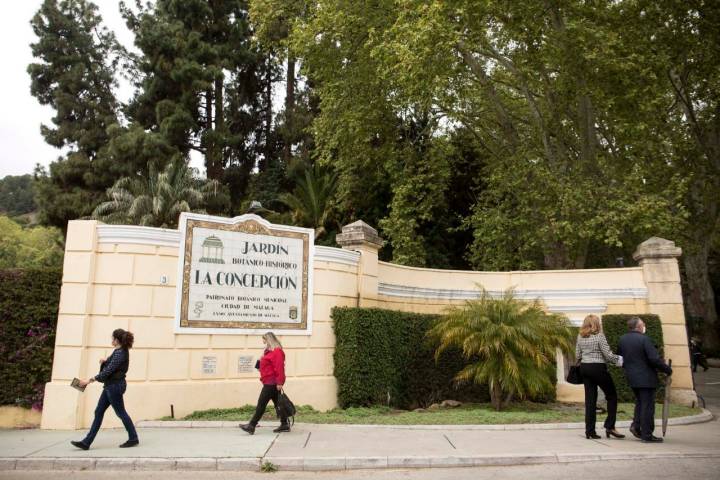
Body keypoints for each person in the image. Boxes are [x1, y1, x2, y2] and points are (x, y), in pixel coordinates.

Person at [71, 329, 139, 450]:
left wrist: (89, 380)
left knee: (121, 413)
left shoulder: (121, 353)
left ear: (116, 340)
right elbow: (113, 365)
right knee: (99, 412)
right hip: (110, 386)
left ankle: (133, 438)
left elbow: (109, 371)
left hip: (114, 386)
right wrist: (105, 361)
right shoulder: (119, 351)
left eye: (112, 338)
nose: (111, 340)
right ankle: (86, 442)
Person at [618, 317, 672, 443]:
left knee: (640, 403)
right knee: (647, 406)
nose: (644, 327)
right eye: (643, 324)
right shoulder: (644, 339)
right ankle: (647, 434)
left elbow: (620, 359)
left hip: (632, 377)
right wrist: (667, 370)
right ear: (638, 327)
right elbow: (654, 359)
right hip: (646, 378)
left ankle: (636, 426)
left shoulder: (622, 339)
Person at [575, 314, 624, 440]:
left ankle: (590, 431)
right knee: (612, 396)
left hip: (584, 368)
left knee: (590, 400)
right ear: (597, 323)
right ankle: (610, 426)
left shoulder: (580, 336)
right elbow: (607, 355)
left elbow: (577, 355)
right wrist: (619, 360)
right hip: (598, 368)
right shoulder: (599, 336)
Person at [240, 332, 289, 434]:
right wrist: (261, 356)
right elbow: (260, 366)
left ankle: (251, 425)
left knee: (261, 404)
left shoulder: (277, 352)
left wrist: (280, 382)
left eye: (265, 340)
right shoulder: (268, 352)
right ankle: (284, 424)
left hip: (272, 383)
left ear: (269, 340)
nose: (264, 342)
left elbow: (279, 368)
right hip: (268, 381)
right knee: (278, 404)